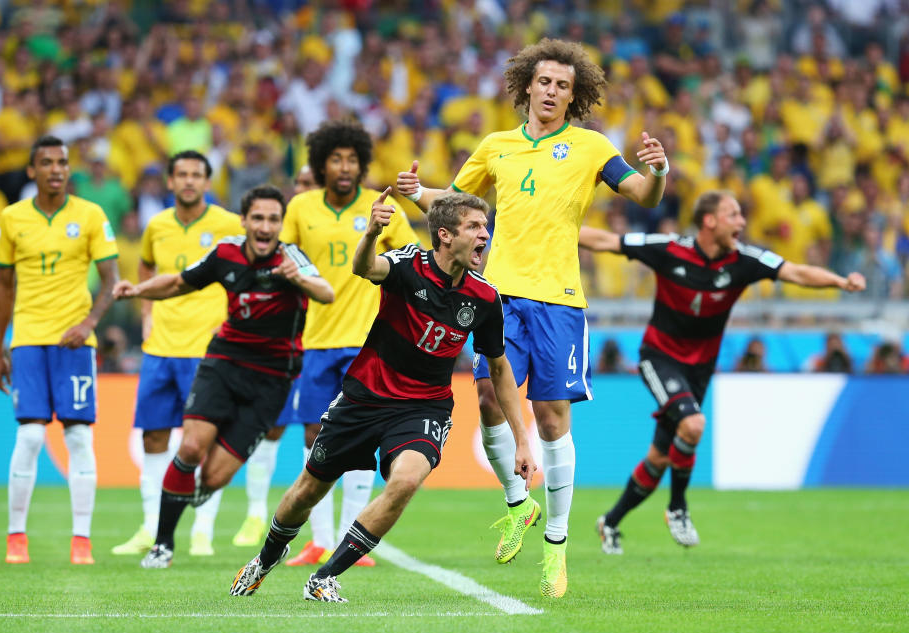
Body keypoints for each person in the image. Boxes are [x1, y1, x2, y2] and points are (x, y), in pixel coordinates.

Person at [395, 38, 668, 597]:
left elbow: (643, 194)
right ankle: (519, 505)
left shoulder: (591, 148)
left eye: (562, 85)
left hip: (561, 301)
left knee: (550, 419)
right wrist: (415, 192)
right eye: (543, 82)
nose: (551, 91)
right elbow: (452, 206)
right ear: (526, 88)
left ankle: (557, 544)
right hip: (497, 295)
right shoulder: (496, 146)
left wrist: (658, 172)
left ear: (574, 96)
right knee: (489, 397)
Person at [230, 191, 536, 603]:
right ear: (444, 235)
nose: (486, 234)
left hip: (424, 406)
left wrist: (520, 439)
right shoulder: (409, 264)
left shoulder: (484, 298)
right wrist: (372, 232)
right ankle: (264, 560)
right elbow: (364, 267)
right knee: (308, 490)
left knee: (406, 479)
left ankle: (325, 577)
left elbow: (499, 369)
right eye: (474, 227)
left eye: (485, 226)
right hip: (365, 396)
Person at [578, 191, 866, 554]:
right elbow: (607, 241)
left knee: (659, 457)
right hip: (660, 357)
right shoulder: (668, 248)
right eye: (733, 214)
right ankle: (678, 508)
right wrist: (556, 227)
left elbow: (794, 271)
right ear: (709, 221)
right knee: (694, 425)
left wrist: (840, 282)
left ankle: (611, 522)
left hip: (699, 369)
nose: (742, 222)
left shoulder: (745, 260)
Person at [231, 121, 420, 572]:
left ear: (361, 164)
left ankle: (347, 539)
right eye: (335, 159)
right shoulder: (300, 206)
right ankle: (318, 541)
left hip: (368, 343)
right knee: (316, 435)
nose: (344, 167)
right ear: (321, 164)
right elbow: (282, 253)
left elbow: (413, 257)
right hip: (314, 340)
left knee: (361, 437)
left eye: (351, 159)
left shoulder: (381, 206)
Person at [112, 185, 334, 568]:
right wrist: (138, 290)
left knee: (213, 478)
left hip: (272, 381)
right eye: (258, 218)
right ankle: (162, 544)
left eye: (273, 220)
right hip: (224, 364)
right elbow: (178, 282)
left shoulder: (290, 257)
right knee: (190, 449)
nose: (266, 226)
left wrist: (297, 278)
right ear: (245, 221)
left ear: (280, 225)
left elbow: (326, 293)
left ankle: (187, 500)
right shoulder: (226, 252)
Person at [0, 134, 120, 565]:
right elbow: (3, 284)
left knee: (79, 436)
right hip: (28, 339)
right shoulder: (11, 218)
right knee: (29, 435)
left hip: (75, 343)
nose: (56, 169)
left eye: (62, 162)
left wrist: (88, 323)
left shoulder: (90, 214)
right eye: (46, 162)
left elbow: (111, 280)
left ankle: (81, 540)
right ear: (32, 171)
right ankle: (16, 537)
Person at [112, 151, 244, 558]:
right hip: (160, 350)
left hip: (206, 351)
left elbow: (245, 274)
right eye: (181, 175)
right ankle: (152, 526)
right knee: (153, 435)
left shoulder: (227, 225)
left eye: (196, 175)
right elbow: (147, 267)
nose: (188, 181)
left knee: (203, 441)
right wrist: (148, 312)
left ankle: (202, 529)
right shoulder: (157, 226)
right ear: (170, 182)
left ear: (207, 182)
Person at [231, 164, 319, 547]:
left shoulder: (337, 228)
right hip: (282, 349)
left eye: (307, 184)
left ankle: (316, 525)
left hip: (327, 343)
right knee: (268, 430)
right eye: (296, 183)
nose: (299, 189)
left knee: (320, 436)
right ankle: (254, 515)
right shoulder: (277, 239)